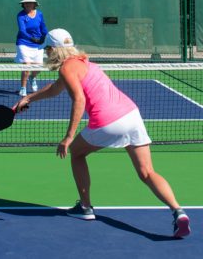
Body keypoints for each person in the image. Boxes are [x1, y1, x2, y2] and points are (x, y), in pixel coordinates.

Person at [14, 28, 191, 238]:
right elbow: (54, 89)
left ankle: (86, 208)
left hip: (108, 121)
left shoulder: (67, 69)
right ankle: (178, 211)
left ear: (54, 49)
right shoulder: (82, 62)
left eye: (48, 49)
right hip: (132, 115)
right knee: (147, 172)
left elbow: (79, 100)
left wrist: (68, 137)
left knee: (77, 153)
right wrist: (28, 99)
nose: (46, 53)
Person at [15, 0, 48, 96]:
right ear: (23, 5)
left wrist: (46, 37)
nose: (27, 5)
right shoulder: (20, 15)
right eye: (26, 3)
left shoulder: (39, 14)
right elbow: (22, 31)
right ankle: (23, 88)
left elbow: (43, 27)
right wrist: (32, 39)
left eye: (30, 3)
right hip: (24, 42)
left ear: (34, 4)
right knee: (27, 66)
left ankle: (32, 78)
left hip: (37, 44)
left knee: (38, 67)